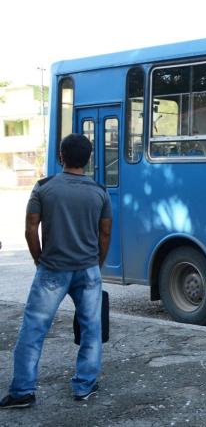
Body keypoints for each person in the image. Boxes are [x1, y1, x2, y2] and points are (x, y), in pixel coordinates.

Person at [0, 133, 112, 409]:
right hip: (87, 270)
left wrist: (40, 260)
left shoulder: (43, 188)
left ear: (61, 157)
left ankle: (23, 390)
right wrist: (96, 264)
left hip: (52, 270)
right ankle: (84, 385)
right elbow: (105, 233)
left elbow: (30, 229)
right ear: (88, 159)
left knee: (33, 329)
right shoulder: (100, 191)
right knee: (91, 329)